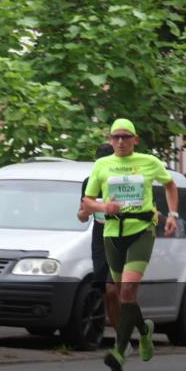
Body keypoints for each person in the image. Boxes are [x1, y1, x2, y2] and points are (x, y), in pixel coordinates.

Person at [82, 118, 181, 371]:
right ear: (110, 140)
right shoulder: (102, 165)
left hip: (141, 231)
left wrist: (172, 215)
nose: (121, 141)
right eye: (116, 137)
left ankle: (119, 352)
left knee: (126, 291)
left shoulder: (149, 162)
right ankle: (145, 330)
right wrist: (105, 207)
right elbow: (88, 201)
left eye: (126, 137)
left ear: (135, 140)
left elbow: (170, 184)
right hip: (112, 234)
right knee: (122, 294)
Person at [77, 143, 121, 336]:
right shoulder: (89, 182)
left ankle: (121, 331)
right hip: (100, 237)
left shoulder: (123, 181)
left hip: (122, 235)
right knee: (104, 286)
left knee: (113, 288)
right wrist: (85, 213)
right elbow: (81, 215)